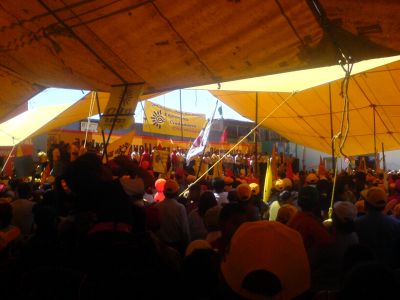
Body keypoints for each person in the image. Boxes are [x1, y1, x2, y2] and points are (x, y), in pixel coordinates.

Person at [355, 187, 400, 268]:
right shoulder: (396, 224)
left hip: (363, 269)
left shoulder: (357, 223)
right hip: (389, 269)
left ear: (366, 204)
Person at [155, 179, 190, 254]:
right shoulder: (180, 207)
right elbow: (185, 230)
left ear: (164, 192)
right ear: (176, 193)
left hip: (161, 246)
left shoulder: (157, 207)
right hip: (177, 246)